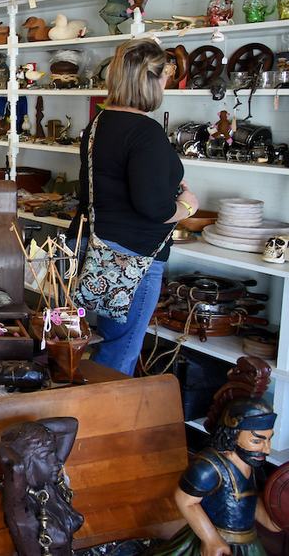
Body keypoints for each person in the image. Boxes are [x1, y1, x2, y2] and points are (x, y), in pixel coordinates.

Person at [67, 38, 198, 375]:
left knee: (75, 344)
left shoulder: (98, 124)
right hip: (129, 258)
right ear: (152, 80)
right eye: (165, 77)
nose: (166, 83)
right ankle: (102, 421)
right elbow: (153, 207)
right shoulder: (146, 132)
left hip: (91, 245)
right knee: (119, 351)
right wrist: (186, 207)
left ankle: (75, 415)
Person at [146, 399, 279, 555]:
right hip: (216, 542)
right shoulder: (209, 467)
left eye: (269, 439)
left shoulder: (251, 464)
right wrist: (211, 539)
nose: (267, 450)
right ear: (234, 434)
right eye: (257, 441)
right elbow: (185, 499)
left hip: (247, 544)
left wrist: (274, 520)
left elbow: (249, 499)